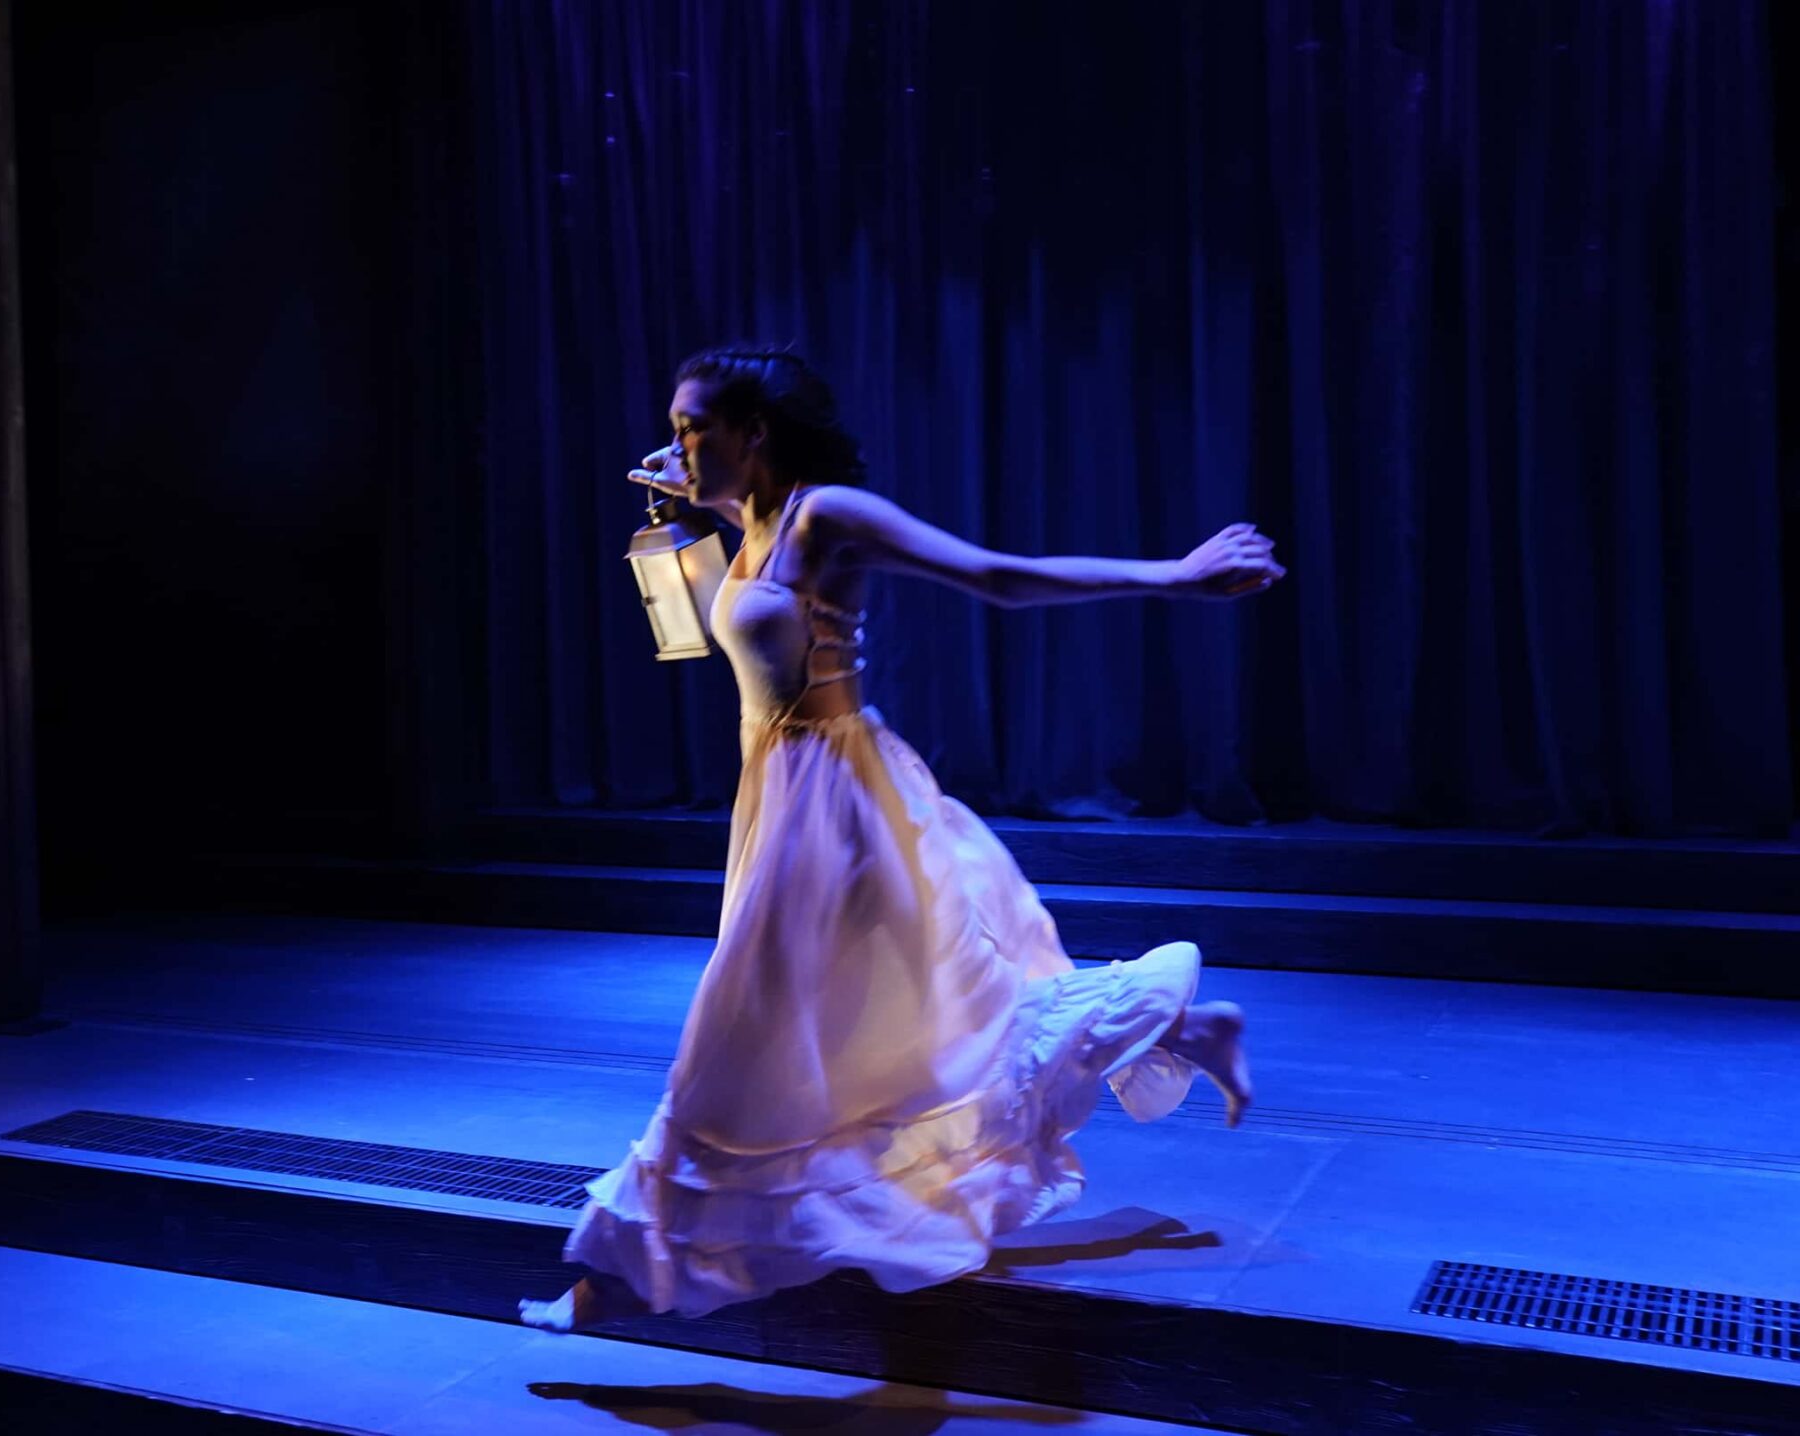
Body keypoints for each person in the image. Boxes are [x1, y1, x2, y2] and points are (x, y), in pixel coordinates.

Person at [521, 347, 1278, 1332]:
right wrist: (687, 498)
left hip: (839, 811)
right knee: (908, 1021)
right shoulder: (751, 520)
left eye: (692, 426)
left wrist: (1175, 576)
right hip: (779, 800)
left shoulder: (827, 515)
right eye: (675, 428)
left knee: (749, 1039)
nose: (676, 445)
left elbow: (998, 577)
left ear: (756, 430)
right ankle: (1186, 1026)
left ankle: (608, 1279)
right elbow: (709, 609)